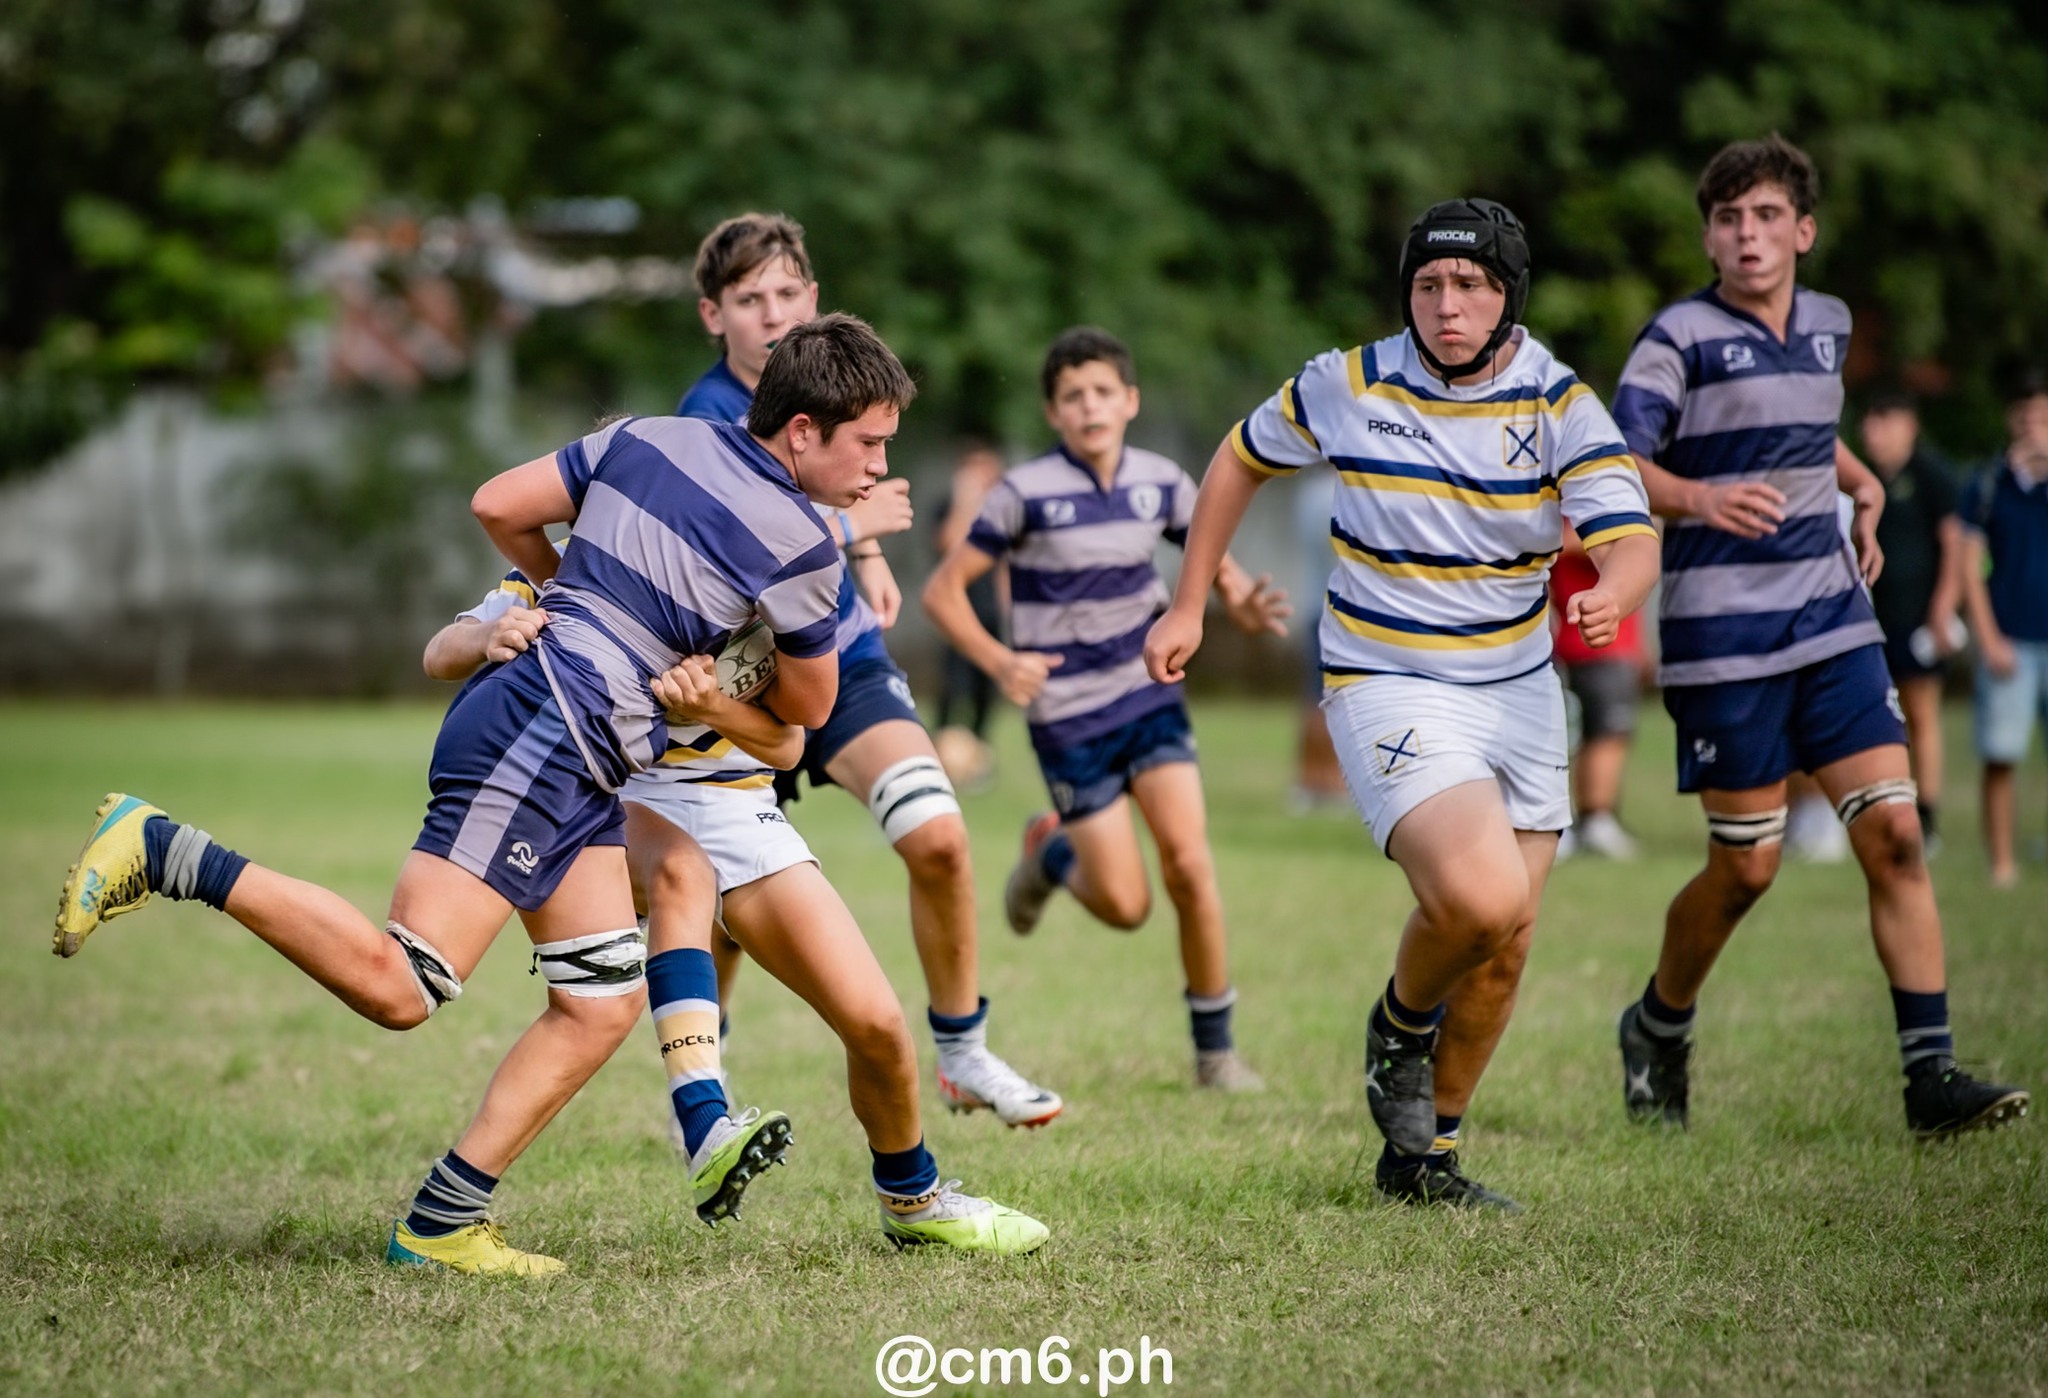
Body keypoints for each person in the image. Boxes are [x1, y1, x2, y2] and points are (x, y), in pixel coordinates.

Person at [48, 313, 900, 1276]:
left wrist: (576, 592)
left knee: (600, 1001)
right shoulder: (804, 545)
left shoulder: (648, 435)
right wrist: (719, 648)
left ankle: (445, 1220)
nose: (876, 466)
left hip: (567, 740)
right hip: (551, 735)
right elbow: (812, 705)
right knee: (404, 985)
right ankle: (162, 848)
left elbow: (499, 502)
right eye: (868, 443)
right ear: (802, 432)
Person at [1148, 200, 1661, 1210]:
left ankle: (1422, 1162)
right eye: (1428, 285)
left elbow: (1630, 535)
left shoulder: (1557, 401)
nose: (1446, 304)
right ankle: (1398, 1026)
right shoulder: (1346, 381)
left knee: (1505, 949)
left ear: (1508, 294)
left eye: (1469, 285)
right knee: (1478, 903)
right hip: (1384, 678)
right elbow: (1236, 459)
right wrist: (1188, 600)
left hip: (1516, 689)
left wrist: (1611, 590)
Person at [1610, 134, 2029, 1139]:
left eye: (1763, 217)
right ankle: (1655, 1025)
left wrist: (1858, 480)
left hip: (1832, 619)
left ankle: (1928, 1080)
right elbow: (1615, 468)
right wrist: (1698, 497)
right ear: (1707, 237)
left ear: (1801, 229)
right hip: (1721, 636)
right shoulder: (1675, 338)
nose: (1744, 236)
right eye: (1724, 219)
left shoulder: (1830, 325)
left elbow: (1800, 425)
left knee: (1890, 833)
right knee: (1745, 865)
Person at [675, 213, 1060, 1128]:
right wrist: (859, 531)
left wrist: (871, 555)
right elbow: (757, 543)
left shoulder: (837, 383)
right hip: (740, 685)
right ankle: (707, 1091)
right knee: (730, 898)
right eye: (748, 299)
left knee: (939, 835)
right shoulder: (701, 419)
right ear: (712, 316)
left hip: (842, 661)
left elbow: (853, 496)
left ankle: (963, 1055)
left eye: (785, 294)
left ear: (813, 298)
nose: (770, 315)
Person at [925, 327, 1288, 1093]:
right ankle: (1054, 853)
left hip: (1148, 694)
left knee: (1190, 863)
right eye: (1071, 396)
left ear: (1129, 401)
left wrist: (1243, 599)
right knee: (1126, 906)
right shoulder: (1024, 495)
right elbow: (942, 591)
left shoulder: (1162, 481)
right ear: (1054, 413)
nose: (1088, 406)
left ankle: (1215, 1053)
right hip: (1068, 720)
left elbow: (1209, 555)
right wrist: (999, 662)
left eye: (1101, 392)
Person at [1860, 389, 1965, 853]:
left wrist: (1943, 608)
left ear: (1910, 424)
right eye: (1870, 421)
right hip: (1869, 619)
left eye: (1886, 420)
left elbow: (1955, 545)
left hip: (1918, 618)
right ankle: (1881, 811)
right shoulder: (1861, 479)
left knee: (1920, 713)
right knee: (1876, 718)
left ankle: (1926, 818)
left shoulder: (1931, 474)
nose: (1874, 432)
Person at [1957, 368, 2048, 889]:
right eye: (2024, 417)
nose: (2033, 427)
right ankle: (2002, 863)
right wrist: (1986, 639)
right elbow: (1970, 566)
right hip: (2009, 639)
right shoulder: (1989, 484)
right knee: (2001, 755)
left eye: (2041, 417)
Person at [1550, 521, 1648, 859]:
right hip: (1558, 642)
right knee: (1554, 734)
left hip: (1613, 643)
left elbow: (1639, 547)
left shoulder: (1619, 488)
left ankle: (1597, 819)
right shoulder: (1556, 491)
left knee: (1609, 732)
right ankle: (1553, 821)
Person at [930, 442, 1009, 790]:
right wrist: (966, 501)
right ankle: (940, 759)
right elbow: (948, 542)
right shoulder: (950, 508)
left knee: (985, 691)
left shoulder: (1004, 510)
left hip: (991, 614)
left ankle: (977, 761)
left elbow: (1006, 561)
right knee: (953, 686)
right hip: (956, 612)